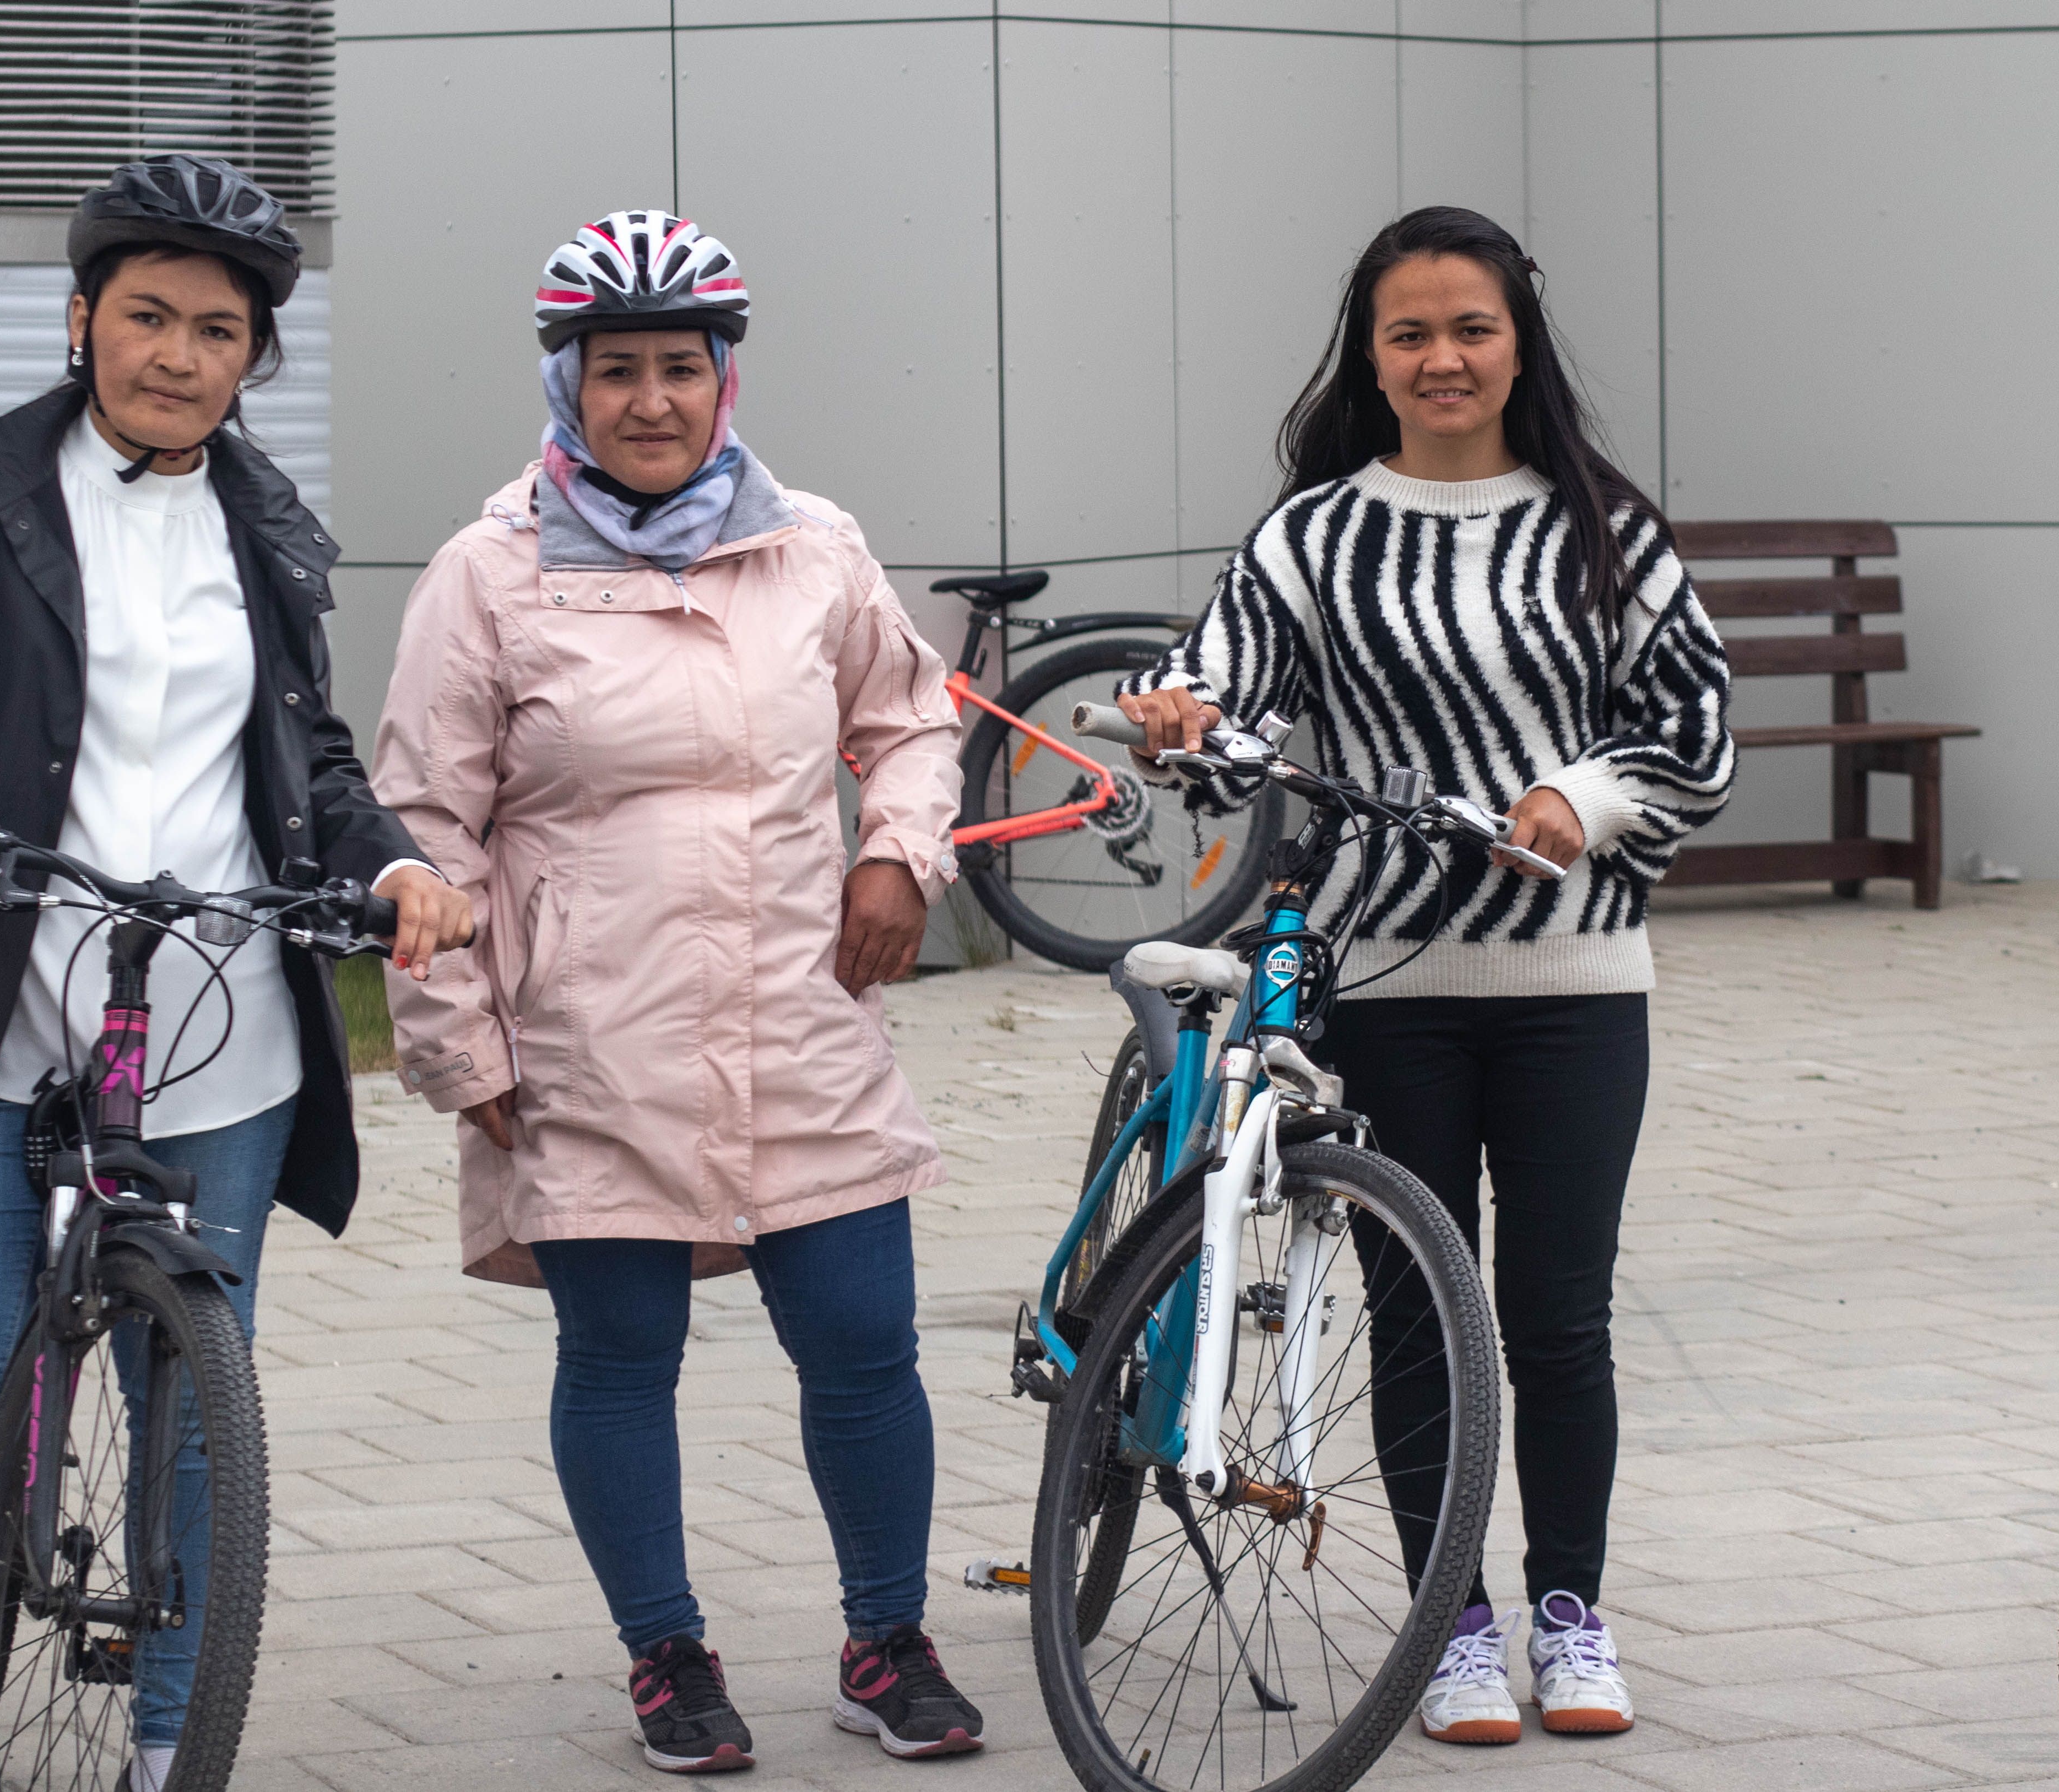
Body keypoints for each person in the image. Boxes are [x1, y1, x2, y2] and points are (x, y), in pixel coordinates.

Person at [0, 153, 472, 1792]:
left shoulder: (272, 532)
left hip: (216, 1027)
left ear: (253, 359)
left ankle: (173, 1745)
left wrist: (391, 868)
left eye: (217, 332)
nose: (177, 355)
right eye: (148, 316)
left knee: (190, 1402)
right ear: (82, 318)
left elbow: (308, 755)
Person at [1116, 204, 1735, 1746]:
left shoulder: (1607, 531)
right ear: (1370, 357)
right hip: (1387, 983)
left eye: (1471, 329)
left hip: (1578, 984)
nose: (1442, 358)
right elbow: (1224, 695)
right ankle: (1450, 1623)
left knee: (1561, 1320)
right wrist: (1177, 718)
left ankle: (1571, 1615)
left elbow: (1696, 736)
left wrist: (1577, 798)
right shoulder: (1314, 535)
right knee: (1415, 1311)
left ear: (1520, 346)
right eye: (1411, 334)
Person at [372, 210, 982, 1774]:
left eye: (681, 368)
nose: (651, 400)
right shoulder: (487, 574)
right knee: (621, 1360)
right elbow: (426, 829)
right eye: (617, 369)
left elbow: (913, 719)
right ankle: (667, 1655)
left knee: (866, 1343)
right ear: (568, 385)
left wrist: (900, 857)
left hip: (801, 1020)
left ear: (727, 378)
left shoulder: (813, 547)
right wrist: (458, 1046)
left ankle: (887, 1639)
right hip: (591, 1040)